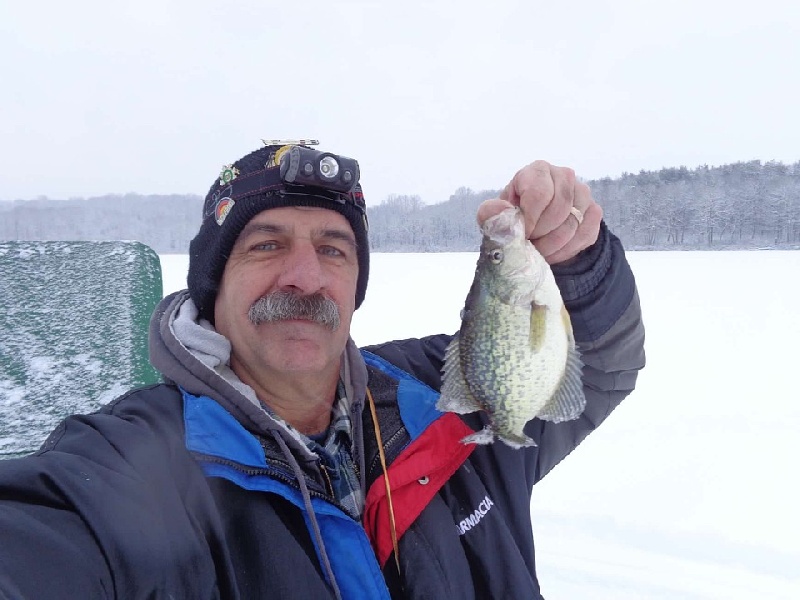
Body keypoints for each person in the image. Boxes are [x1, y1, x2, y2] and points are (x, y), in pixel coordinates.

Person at [0, 142, 645, 599]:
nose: (305, 277)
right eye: (267, 244)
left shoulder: (443, 395)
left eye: (333, 249)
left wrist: (578, 259)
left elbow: (600, 361)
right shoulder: (123, 464)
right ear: (212, 283)